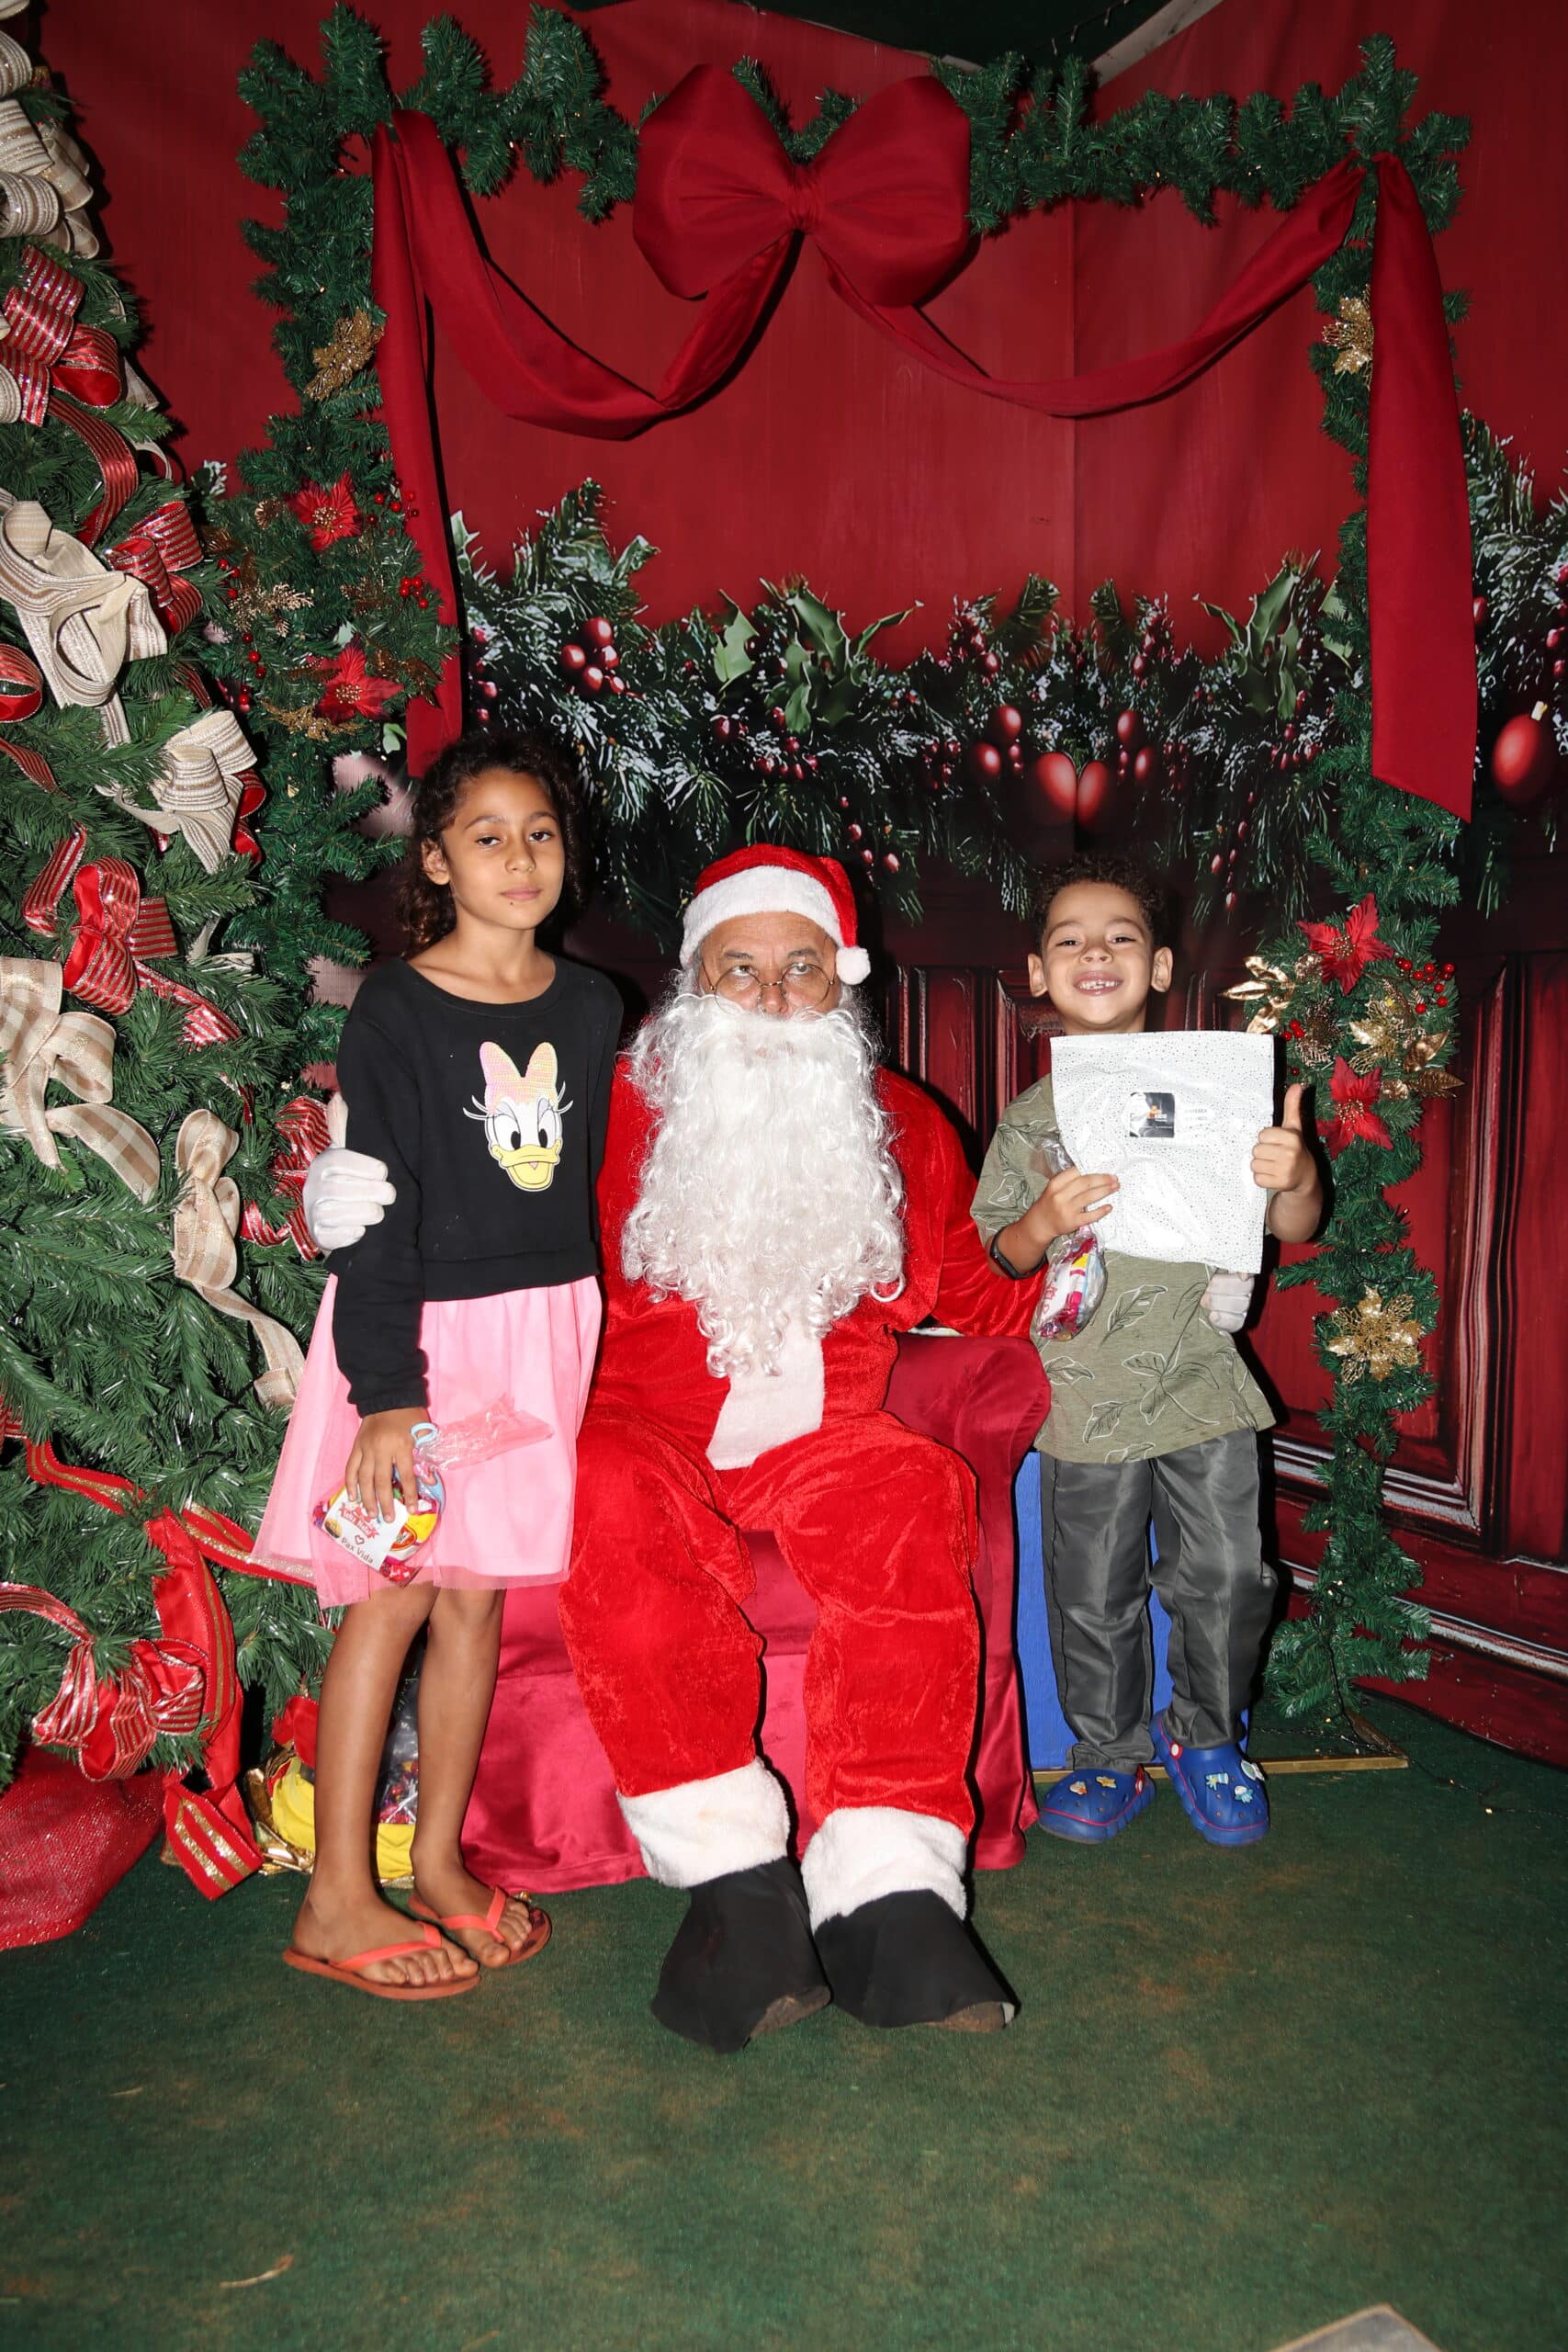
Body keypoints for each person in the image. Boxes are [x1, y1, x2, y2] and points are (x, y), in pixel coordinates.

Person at [306, 846, 1044, 2051]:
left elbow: (976, 1291)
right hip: (637, 1421)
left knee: (913, 1491)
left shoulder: (902, 1124)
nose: (770, 995)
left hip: (825, 1433)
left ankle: (890, 1891)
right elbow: (467, 1199)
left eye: (801, 968)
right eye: (738, 968)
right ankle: (734, 1886)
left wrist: (1059, 1240)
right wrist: (349, 1193)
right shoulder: (605, 1101)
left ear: (842, 981)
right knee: (604, 1494)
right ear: (694, 981)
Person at [260, 729, 621, 1998]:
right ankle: (333, 1896)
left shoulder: (590, 1007)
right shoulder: (398, 1009)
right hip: (418, 1341)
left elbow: (573, 1187)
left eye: (540, 833)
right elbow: (379, 1209)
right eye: (487, 836)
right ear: (435, 861)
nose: (519, 858)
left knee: (477, 1600)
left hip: (539, 1335)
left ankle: (438, 1864)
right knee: (395, 1594)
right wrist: (386, 1396)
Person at [971, 853, 1322, 1849]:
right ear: (1037, 972)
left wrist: (1294, 1174)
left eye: (1120, 936)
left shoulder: (1217, 1091)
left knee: (1230, 1576)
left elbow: (1292, 1223)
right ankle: (1107, 1752)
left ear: (1160, 966)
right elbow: (1000, 1252)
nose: (1096, 952)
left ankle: (1205, 1736)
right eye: (1069, 939)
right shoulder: (1031, 1117)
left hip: (1202, 1382)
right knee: (1092, 1588)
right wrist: (1042, 1220)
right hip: (1082, 1392)